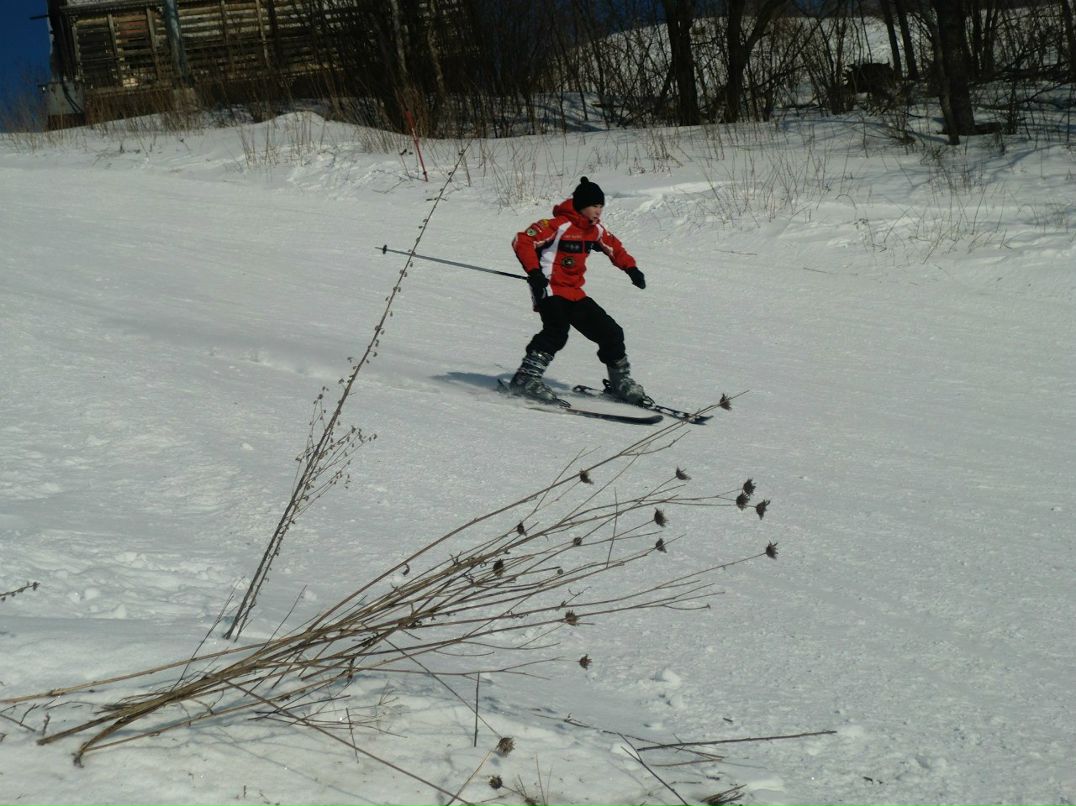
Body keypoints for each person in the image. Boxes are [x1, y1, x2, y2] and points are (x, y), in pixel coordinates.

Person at [507, 177, 648, 404]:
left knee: (611, 332)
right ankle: (526, 378)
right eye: (594, 206)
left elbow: (615, 248)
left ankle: (620, 382)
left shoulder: (595, 230)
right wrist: (534, 272)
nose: (598, 211)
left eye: (601, 206)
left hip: (574, 292)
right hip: (549, 287)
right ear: (581, 205)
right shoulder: (557, 225)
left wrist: (631, 269)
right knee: (556, 332)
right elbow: (522, 241)